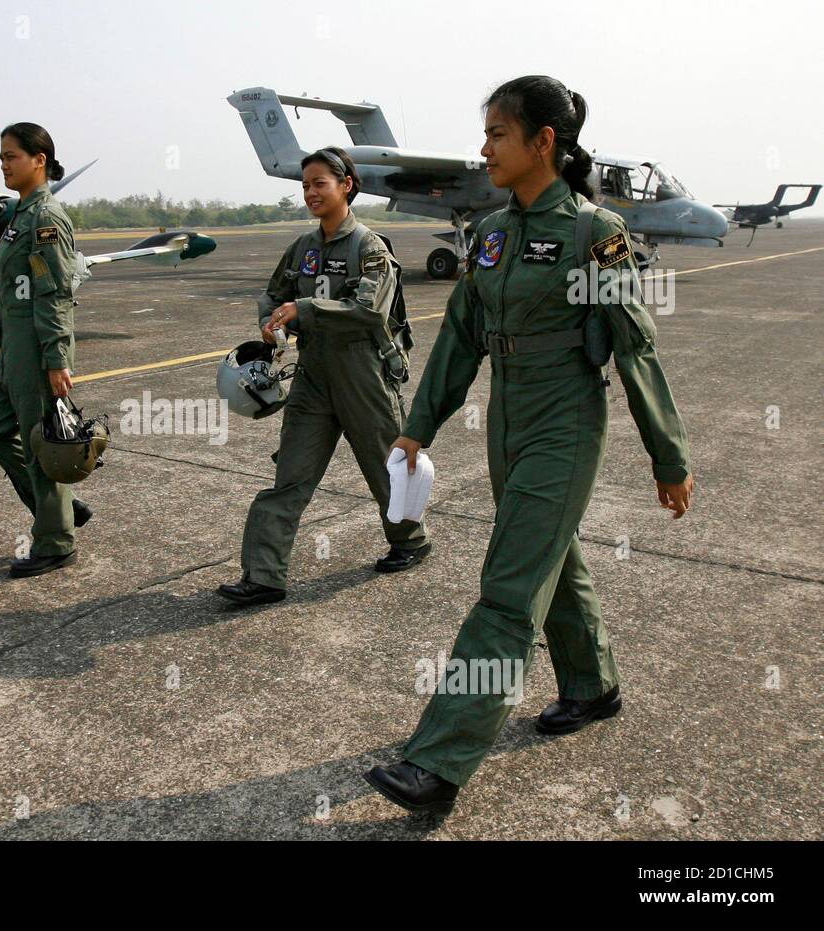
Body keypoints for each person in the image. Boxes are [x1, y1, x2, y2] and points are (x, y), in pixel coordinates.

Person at [364, 76, 694, 815]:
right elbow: (458, 338)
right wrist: (418, 424)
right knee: (551, 556)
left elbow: (634, 349)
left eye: (497, 135)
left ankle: (437, 761)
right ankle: (591, 683)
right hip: (507, 417)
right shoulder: (490, 233)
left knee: (509, 589)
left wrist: (667, 457)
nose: (483, 149)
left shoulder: (594, 232)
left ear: (543, 142)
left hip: (564, 420)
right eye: (484, 135)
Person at [216, 146, 430, 607]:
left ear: (346, 185)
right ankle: (264, 576)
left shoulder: (370, 247)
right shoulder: (302, 248)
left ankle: (410, 540)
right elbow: (275, 294)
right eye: (306, 185)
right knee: (291, 474)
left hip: (363, 372)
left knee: (383, 466)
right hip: (314, 373)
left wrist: (304, 309)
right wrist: (273, 322)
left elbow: (368, 310)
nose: (311, 192)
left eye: (320, 184)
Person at [0, 122, 91, 578]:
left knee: (42, 443)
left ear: (39, 160)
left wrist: (56, 358)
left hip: (39, 346)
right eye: (1, 157)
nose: (3, 164)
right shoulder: (18, 217)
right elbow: (11, 287)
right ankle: (61, 509)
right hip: (14, 346)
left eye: (11, 156)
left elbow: (55, 293)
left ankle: (56, 542)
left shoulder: (46, 219)